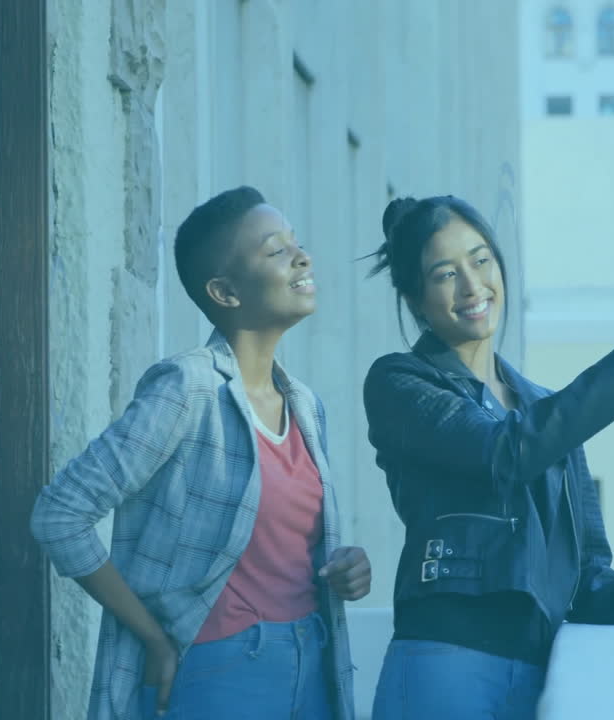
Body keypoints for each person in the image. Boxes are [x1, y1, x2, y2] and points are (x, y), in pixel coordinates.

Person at [363, 195, 614, 719]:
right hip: (445, 664)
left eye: (481, 260)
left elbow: (584, 577)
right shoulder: (400, 382)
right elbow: (502, 451)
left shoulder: (542, 407)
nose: (472, 286)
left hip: (536, 674)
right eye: (445, 274)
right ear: (416, 299)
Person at [31, 186, 371, 720]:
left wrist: (346, 565)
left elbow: (270, 547)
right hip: (222, 670)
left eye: (296, 243)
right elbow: (59, 515)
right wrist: (153, 638)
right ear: (226, 292)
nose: (301, 257)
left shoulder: (306, 405)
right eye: (275, 250)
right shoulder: (186, 387)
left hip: (314, 660)